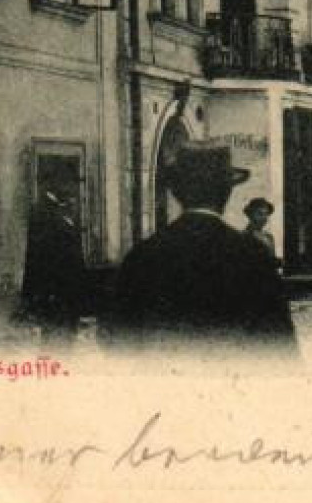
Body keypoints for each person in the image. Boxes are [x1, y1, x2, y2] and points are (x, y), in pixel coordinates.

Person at [102, 144, 296, 355]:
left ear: (177, 192)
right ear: (227, 191)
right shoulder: (252, 255)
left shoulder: (142, 255)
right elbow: (280, 347)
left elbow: (116, 342)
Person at [20, 191, 87, 347]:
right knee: (58, 339)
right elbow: (47, 263)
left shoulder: (60, 223)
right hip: (59, 294)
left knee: (59, 338)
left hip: (62, 295)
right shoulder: (54, 225)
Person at [242, 197, 282, 268]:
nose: (264, 218)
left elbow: (272, 259)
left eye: (266, 214)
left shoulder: (269, 237)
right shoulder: (244, 236)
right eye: (260, 214)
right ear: (250, 215)